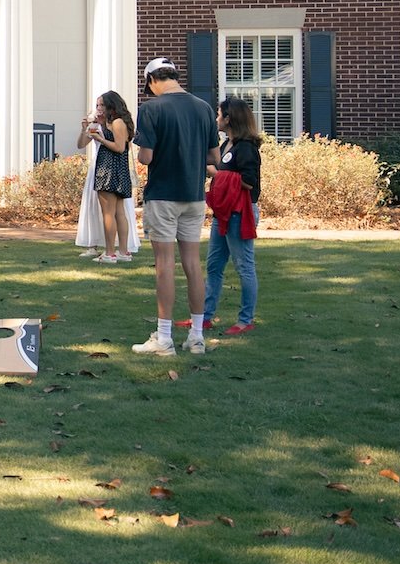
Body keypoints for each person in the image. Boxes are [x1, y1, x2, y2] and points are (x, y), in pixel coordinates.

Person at [131, 58, 220, 357]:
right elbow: (214, 157)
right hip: (194, 195)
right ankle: (196, 337)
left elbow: (146, 158)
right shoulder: (204, 108)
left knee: (165, 266)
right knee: (193, 265)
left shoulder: (151, 109)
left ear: (153, 80)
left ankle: (165, 338)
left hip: (163, 194)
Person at [204, 96, 264, 335]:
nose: (217, 119)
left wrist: (216, 174)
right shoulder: (225, 145)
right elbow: (217, 167)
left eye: (219, 115)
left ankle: (245, 319)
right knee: (214, 265)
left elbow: (249, 182)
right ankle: (205, 316)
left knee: (244, 266)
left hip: (240, 212)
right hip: (224, 212)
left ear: (229, 119)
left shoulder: (247, 148)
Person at [79, 92, 137, 262]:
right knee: (118, 212)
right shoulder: (102, 124)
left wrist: (100, 138)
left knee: (109, 213)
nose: (99, 109)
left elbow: (119, 147)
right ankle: (123, 252)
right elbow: (81, 144)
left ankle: (110, 253)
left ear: (112, 105)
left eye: (102, 105)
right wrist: (85, 130)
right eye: (97, 106)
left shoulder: (118, 122)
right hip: (115, 169)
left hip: (110, 169)